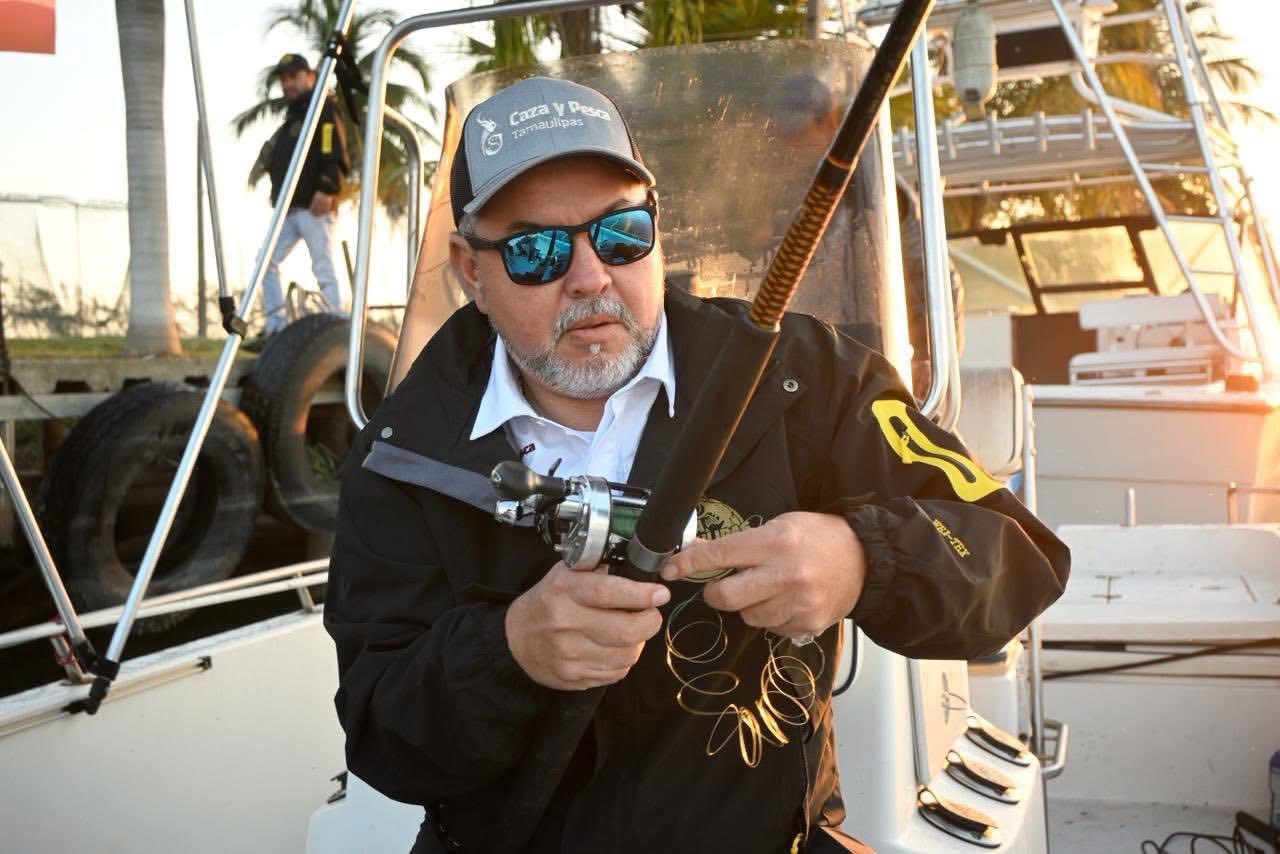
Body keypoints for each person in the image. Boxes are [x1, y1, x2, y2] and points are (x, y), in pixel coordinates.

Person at [325, 76, 1070, 853]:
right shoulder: (401, 458)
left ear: (658, 230)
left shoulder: (802, 376)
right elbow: (381, 736)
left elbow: (1018, 557)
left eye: (621, 233)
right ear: (471, 270)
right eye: (535, 251)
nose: (590, 276)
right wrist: (510, 652)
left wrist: (861, 558)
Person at [251, 52, 350, 336]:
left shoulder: (323, 108)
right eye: (283, 79)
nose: (287, 84)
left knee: (322, 265)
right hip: (289, 206)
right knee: (265, 263)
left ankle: (334, 324)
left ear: (310, 77)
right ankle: (276, 325)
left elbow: (332, 148)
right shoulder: (293, 117)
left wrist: (327, 187)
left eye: (293, 77)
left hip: (314, 205)